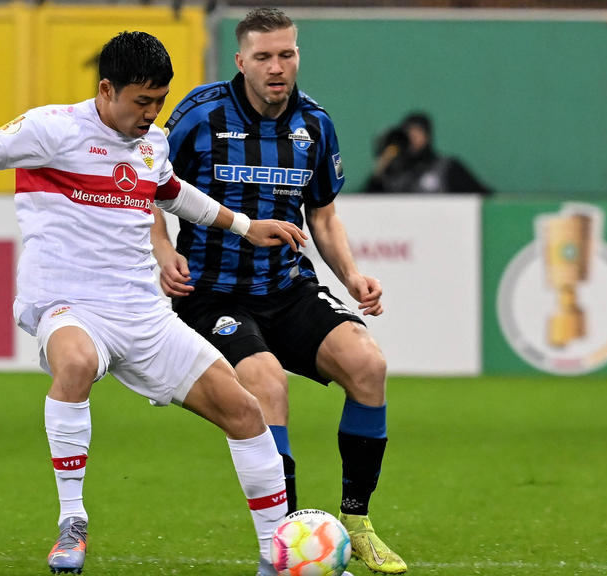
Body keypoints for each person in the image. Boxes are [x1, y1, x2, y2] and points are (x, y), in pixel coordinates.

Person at [0, 31, 304, 576]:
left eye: (159, 102)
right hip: (69, 303)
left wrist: (246, 227)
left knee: (245, 411)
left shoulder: (152, 144)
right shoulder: (52, 128)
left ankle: (278, 557)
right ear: (106, 90)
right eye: (141, 102)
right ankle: (72, 521)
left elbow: (172, 191)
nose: (152, 115)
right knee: (77, 362)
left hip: (143, 314)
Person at [151, 8, 407, 575]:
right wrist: (164, 252)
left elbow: (323, 212)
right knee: (266, 382)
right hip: (213, 294)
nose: (276, 67)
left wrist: (352, 275)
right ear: (240, 61)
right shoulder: (200, 114)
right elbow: (148, 189)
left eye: (286, 54)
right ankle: (287, 540)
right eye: (263, 57)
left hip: (287, 288)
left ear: (297, 57)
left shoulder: (314, 123)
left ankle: (358, 524)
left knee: (368, 366)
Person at [364, 111, 492, 195]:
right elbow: (367, 203)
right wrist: (379, 173)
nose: (413, 139)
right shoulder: (394, 173)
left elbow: (483, 196)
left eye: (417, 134)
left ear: (428, 136)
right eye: (409, 134)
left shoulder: (446, 167)